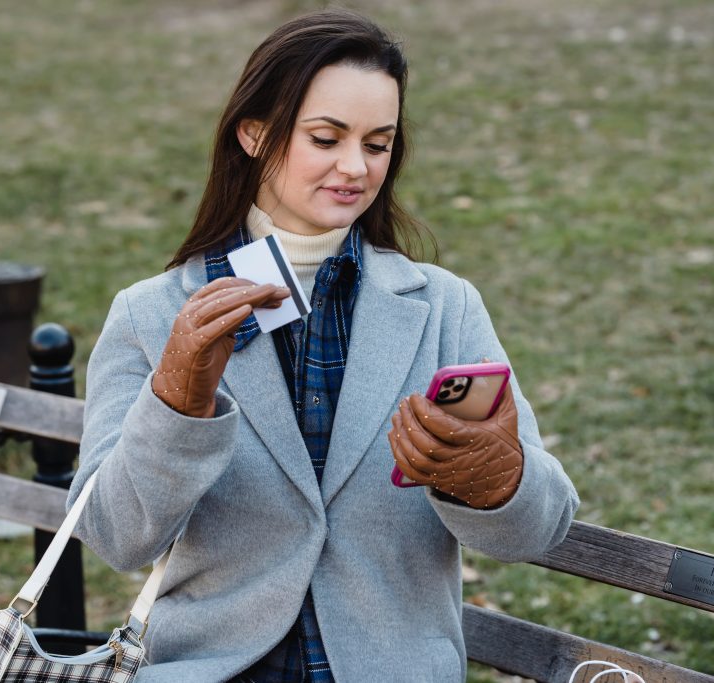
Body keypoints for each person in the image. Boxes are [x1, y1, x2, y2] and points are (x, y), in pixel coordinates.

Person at [67, 9, 579, 682]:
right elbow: (115, 536)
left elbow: (540, 528)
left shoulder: (442, 307)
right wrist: (176, 404)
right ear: (253, 134)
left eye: (377, 143)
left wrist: (495, 479)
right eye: (326, 137)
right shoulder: (152, 313)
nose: (354, 167)